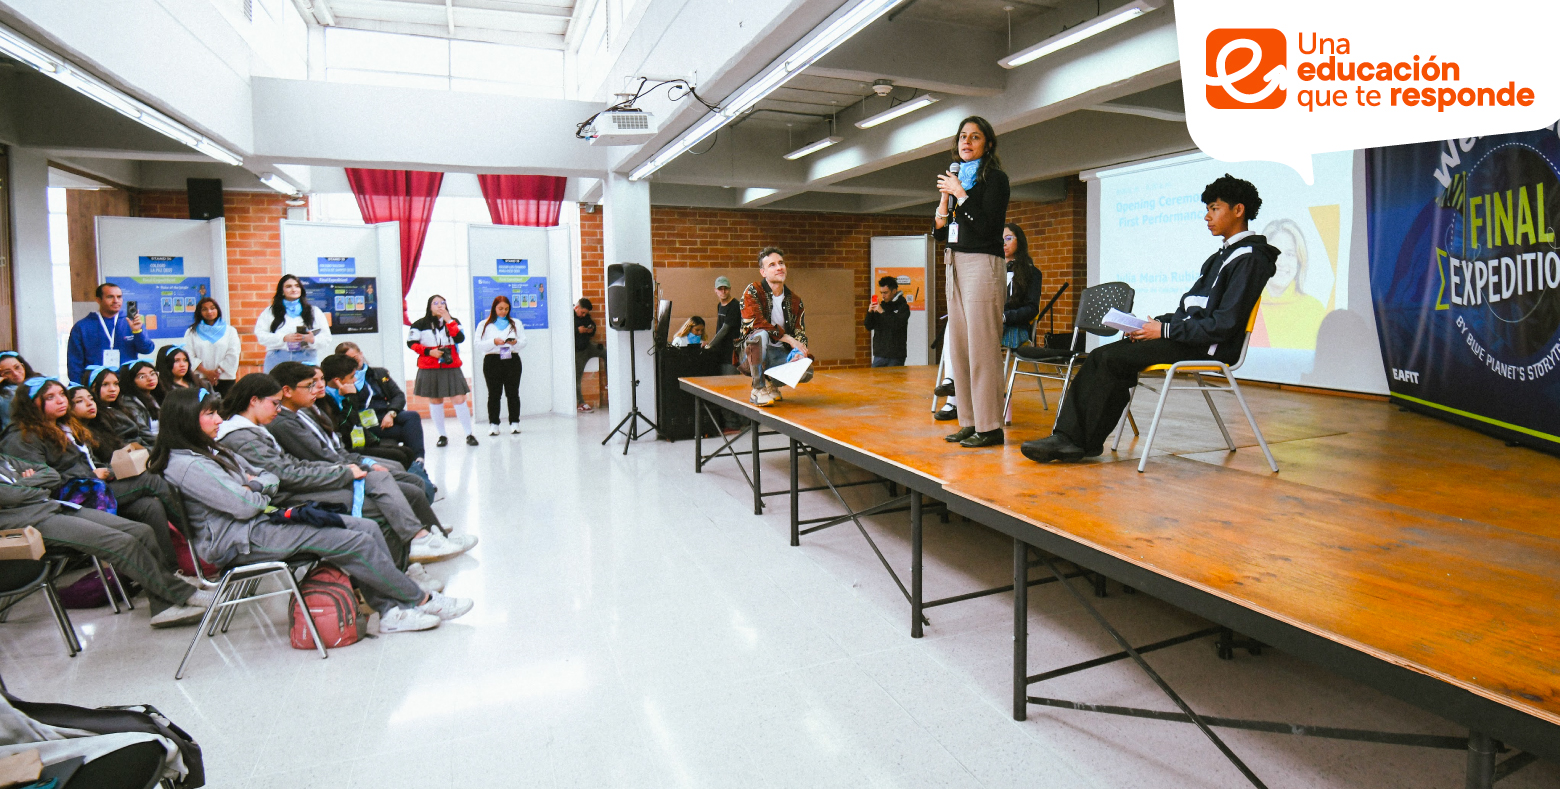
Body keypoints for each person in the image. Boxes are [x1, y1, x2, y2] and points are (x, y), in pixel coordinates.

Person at [152, 388, 470, 634]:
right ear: (186, 419)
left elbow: (267, 477)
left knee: (366, 528)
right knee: (353, 541)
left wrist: (255, 485)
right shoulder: (189, 465)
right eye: (209, 415)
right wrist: (255, 488)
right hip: (242, 541)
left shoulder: (210, 449)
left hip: (261, 524)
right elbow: (244, 504)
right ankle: (420, 599)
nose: (218, 420)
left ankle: (390, 612)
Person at [1022, 174, 1277, 463]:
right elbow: (1192, 311)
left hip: (1210, 346)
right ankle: (1070, 438)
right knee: (1101, 356)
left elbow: (1224, 324)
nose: (1207, 216)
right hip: (1188, 337)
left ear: (1238, 210)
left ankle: (1076, 441)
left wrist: (1164, 330)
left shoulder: (1252, 258)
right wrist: (1150, 325)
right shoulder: (1221, 256)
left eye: (1214, 208)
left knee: (1110, 359)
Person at [215, 373, 452, 585]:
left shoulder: (258, 427)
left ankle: (411, 554)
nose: (278, 409)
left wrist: (345, 468)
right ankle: (395, 577)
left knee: (389, 484)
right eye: (274, 403)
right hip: (285, 501)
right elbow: (285, 475)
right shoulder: (244, 437)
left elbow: (294, 465)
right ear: (254, 400)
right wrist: (342, 472)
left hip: (297, 487)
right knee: (379, 509)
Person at [266, 362, 473, 562]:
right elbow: (325, 455)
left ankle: (428, 535)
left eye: (318, 381)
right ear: (287, 391)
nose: (316, 388)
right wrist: (362, 465)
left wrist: (363, 462)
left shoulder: (304, 413)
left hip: (346, 461)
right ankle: (418, 541)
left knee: (409, 476)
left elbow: (335, 448)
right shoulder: (285, 423)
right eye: (310, 384)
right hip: (336, 473)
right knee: (402, 488)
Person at [0, 452, 213, 628]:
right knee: (122, 543)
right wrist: (30, 484)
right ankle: (182, 593)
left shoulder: (6, 458)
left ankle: (162, 606)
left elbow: (51, 474)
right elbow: (11, 495)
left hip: (52, 507)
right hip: (29, 525)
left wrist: (26, 484)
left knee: (141, 531)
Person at [0, 377, 193, 570]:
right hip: (71, 499)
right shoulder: (23, 437)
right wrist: (92, 475)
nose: (61, 400)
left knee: (150, 506)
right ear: (30, 404)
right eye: (50, 397)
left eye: (61, 394)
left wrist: (108, 470)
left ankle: (169, 569)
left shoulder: (65, 426)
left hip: (94, 487)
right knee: (150, 481)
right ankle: (196, 536)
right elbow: (44, 481)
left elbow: (87, 463)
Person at [933, 115, 1010, 448]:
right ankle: (969, 420)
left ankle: (990, 426)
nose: (966, 142)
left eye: (975, 137)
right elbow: (941, 234)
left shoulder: (994, 179)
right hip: (954, 261)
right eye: (963, 136)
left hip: (982, 263)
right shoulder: (957, 178)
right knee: (959, 348)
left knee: (982, 347)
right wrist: (943, 203)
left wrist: (960, 194)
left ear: (987, 144)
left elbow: (987, 227)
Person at [739, 248, 813, 407]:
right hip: (750, 353)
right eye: (772, 265)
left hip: (778, 354)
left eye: (781, 263)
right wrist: (788, 338)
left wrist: (799, 353)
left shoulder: (795, 300)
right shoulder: (753, 291)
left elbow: (800, 333)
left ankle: (771, 383)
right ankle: (758, 389)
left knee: (806, 371)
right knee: (760, 336)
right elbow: (755, 323)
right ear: (763, 272)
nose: (779, 267)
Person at [315, 354, 414, 467]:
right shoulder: (326, 399)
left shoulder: (350, 390)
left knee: (407, 451)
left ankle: (419, 476)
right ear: (337, 380)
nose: (355, 379)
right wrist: (350, 398)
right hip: (347, 447)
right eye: (352, 376)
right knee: (399, 456)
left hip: (360, 438)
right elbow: (345, 427)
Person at [408, 295, 477, 447]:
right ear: (429, 306)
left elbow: (459, 338)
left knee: (459, 398)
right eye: (436, 303)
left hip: (450, 365)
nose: (440, 305)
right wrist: (428, 352)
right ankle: (442, 435)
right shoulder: (419, 324)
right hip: (429, 366)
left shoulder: (453, 321)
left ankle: (469, 433)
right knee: (436, 400)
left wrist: (448, 320)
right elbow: (411, 343)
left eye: (443, 303)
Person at [337, 342, 424, 461]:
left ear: (361, 354)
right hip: (366, 420)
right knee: (409, 432)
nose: (353, 362)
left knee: (412, 416)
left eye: (355, 358)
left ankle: (418, 459)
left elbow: (398, 395)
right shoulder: (344, 380)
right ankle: (416, 461)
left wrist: (391, 413)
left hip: (385, 412)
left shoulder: (378, 373)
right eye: (348, 360)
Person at [1254, 217, 1326, 349]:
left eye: (1290, 254)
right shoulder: (1243, 307)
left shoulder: (1314, 310)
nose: (1281, 262)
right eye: (1274, 253)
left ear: (1299, 261)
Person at [65, 282, 155, 385]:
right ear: (98, 300)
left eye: (119, 297)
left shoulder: (131, 322)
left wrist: (137, 332)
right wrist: (79, 388)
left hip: (128, 382)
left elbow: (147, 349)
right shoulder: (82, 327)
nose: (116, 301)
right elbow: (74, 363)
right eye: (110, 297)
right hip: (97, 385)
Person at [254, 274, 331, 372]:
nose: (294, 289)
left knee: (307, 386)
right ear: (281, 291)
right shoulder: (270, 311)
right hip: (277, 358)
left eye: (297, 286)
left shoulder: (314, 311)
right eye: (288, 286)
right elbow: (261, 335)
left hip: (306, 358)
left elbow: (327, 337)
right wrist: (283, 338)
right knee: (276, 386)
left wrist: (312, 340)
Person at [475, 295, 526, 435]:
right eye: (500, 308)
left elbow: (524, 342)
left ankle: (514, 423)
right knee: (494, 394)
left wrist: (515, 342)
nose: (503, 311)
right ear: (494, 308)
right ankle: (494, 424)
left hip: (512, 360)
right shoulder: (484, 324)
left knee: (513, 393)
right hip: (492, 361)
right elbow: (478, 345)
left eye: (506, 309)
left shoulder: (516, 323)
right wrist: (493, 342)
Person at [183, 297, 240, 395]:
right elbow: (188, 355)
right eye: (204, 309)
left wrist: (216, 372)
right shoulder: (191, 332)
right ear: (199, 312)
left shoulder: (230, 331)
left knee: (225, 408)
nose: (209, 311)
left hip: (224, 378)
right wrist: (206, 372)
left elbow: (233, 354)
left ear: (218, 310)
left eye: (212, 308)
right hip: (200, 379)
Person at [1002, 223, 1043, 350]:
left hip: (1013, 325)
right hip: (988, 323)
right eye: (1000, 239)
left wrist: (1005, 317)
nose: (1004, 243)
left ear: (1019, 241)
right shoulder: (991, 271)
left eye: (1008, 238)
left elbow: (1032, 309)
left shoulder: (1032, 273)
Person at [87, 367, 141, 447]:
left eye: (116, 384)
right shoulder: (96, 417)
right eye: (105, 384)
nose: (112, 389)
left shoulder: (123, 408)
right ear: (92, 388)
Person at [865, 276, 910, 367]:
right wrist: (870, 312)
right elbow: (868, 326)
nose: (883, 296)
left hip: (896, 355)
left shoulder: (903, 307)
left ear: (894, 291)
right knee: (876, 380)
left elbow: (896, 324)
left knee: (893, 380)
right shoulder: (881, 306)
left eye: (885, 293)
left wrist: (882, 312)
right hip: (880, 354)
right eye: (881, 293)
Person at [573, 298, 606, 413]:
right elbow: (565, 331)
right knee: (577, 377)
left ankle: (610, 383)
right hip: (578, 350)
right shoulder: (569, 316)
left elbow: (592, 325)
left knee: (605, 352)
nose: (583, 315)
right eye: (582, 312)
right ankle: (580, 403)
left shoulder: (586, 317)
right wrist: (578, 331)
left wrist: (590, 329)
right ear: (576, 307)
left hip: (588, 346)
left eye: (585, 313)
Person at [118, 360, 162, 445]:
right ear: (130, 380)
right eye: (142, 376)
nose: (150, 378)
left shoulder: (154, 396)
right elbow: (142, 432)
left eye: (152, 374)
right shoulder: (129, 402)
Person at [0, 352, 36, 430]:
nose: (15, 374)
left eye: (17, 367)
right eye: (7, 372)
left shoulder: (38, 381)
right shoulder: (7, 394)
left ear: (23, 365)